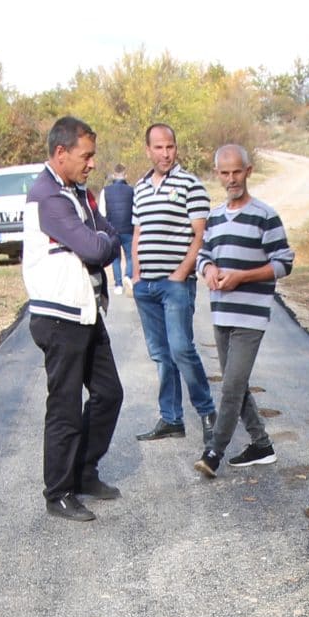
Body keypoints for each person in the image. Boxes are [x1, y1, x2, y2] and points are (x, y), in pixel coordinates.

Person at [22, 116, 124, 522]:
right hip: (59, 316)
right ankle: (58, 492)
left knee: (109, 393)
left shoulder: (76, 192)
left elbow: (110, 236)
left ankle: (83, 471)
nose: (92, 164)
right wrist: (99, 243)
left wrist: (100, 242)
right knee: (64, 406)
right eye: (86, 156)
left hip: (85, 311)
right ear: (60, 153)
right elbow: (96, 247)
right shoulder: (48, 197)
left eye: (93, 156)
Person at [195, 144, 293, 477]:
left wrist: (243, 277)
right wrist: (207, 270)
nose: (231, 178)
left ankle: (214, 452)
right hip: (221, 313)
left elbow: (284, 263)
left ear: (248, 171)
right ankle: (261, 444)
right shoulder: (215, 216)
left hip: (250, 316)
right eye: (225, 172)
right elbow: (203, 255)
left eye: (237, 171)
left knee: (232, 386)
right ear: (217, 174)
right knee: (238, 384)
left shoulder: (265, 215)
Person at [130, 123, 215, 441]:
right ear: (148, 150)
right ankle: (171, 418)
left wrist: (180, 274)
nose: (165, 153)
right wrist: (136, 275)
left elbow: (200, 234)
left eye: (170, 147)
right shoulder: (139, 187)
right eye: (159, 147)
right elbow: (137, 233)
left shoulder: (190, 184)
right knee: (161, 355)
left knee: (181, 349)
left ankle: (208, 414)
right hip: (146, 287)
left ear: (175, 148)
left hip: (175, 285)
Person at [100, 164, 135, 291]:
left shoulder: (106, 191)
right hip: (128, 229)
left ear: (113, 175)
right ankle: (128, 275)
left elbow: (102, 213)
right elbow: (135, 211)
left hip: (112, 229)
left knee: (115, 258)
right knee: (130, 256)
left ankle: (118, 284)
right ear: (125, 175)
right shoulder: (132, 190)